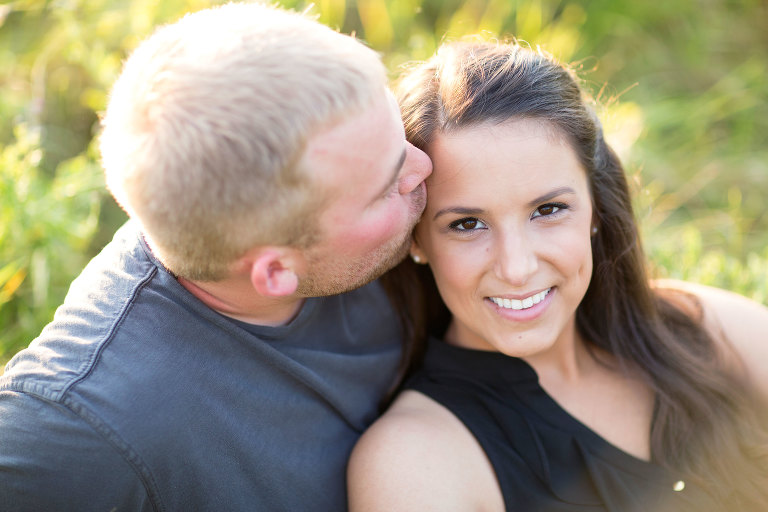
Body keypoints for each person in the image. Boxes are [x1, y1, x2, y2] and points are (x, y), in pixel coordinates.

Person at [0, 3, 431, 511]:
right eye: (384, 188)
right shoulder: (82, 427)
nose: (423, 165)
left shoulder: (354, 197)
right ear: (274, 271)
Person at [348, 41, 768, 511]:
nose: (517, 267)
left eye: (548, 210)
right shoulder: (415, 463)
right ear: (418, 240)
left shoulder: (704, 328)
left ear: (595, 208)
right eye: (466, 224)